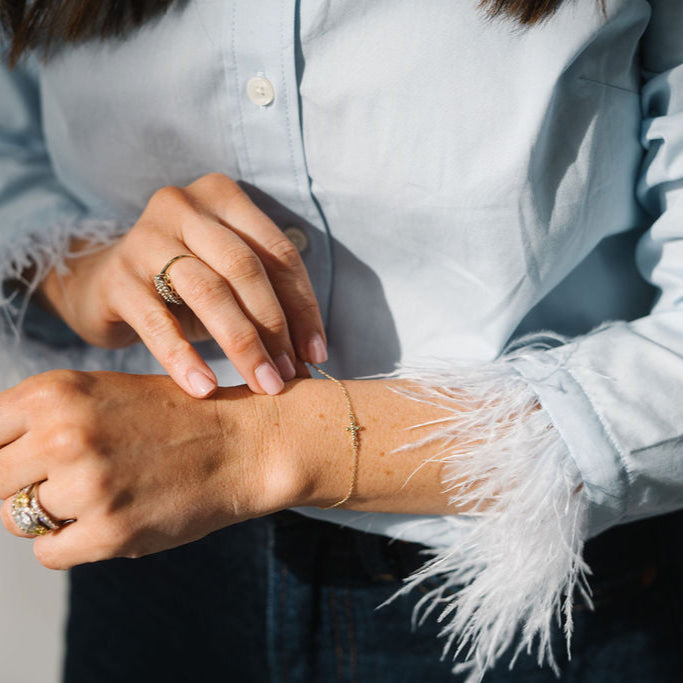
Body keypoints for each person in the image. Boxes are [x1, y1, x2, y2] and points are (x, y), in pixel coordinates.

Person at [0, 0, 681, 680]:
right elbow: (11, 149)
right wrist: (80, 272)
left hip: (533, 600)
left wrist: (257, 444)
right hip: (153, 567)